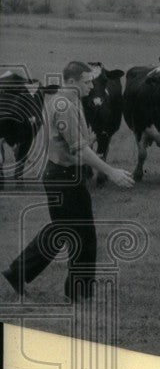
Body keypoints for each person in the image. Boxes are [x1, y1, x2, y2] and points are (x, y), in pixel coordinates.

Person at [2, 61, 134, 302]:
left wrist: (88, 140)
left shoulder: (73, 101)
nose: (91, 85)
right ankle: (76, 293)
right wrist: (111, 171)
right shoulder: (64, 105)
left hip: (65, 176)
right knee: (80, 235)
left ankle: (20, 272)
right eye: (86, 81)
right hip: (63, 179)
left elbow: (77, 143)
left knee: (66, 231)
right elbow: (80, 150)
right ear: (72, 82)